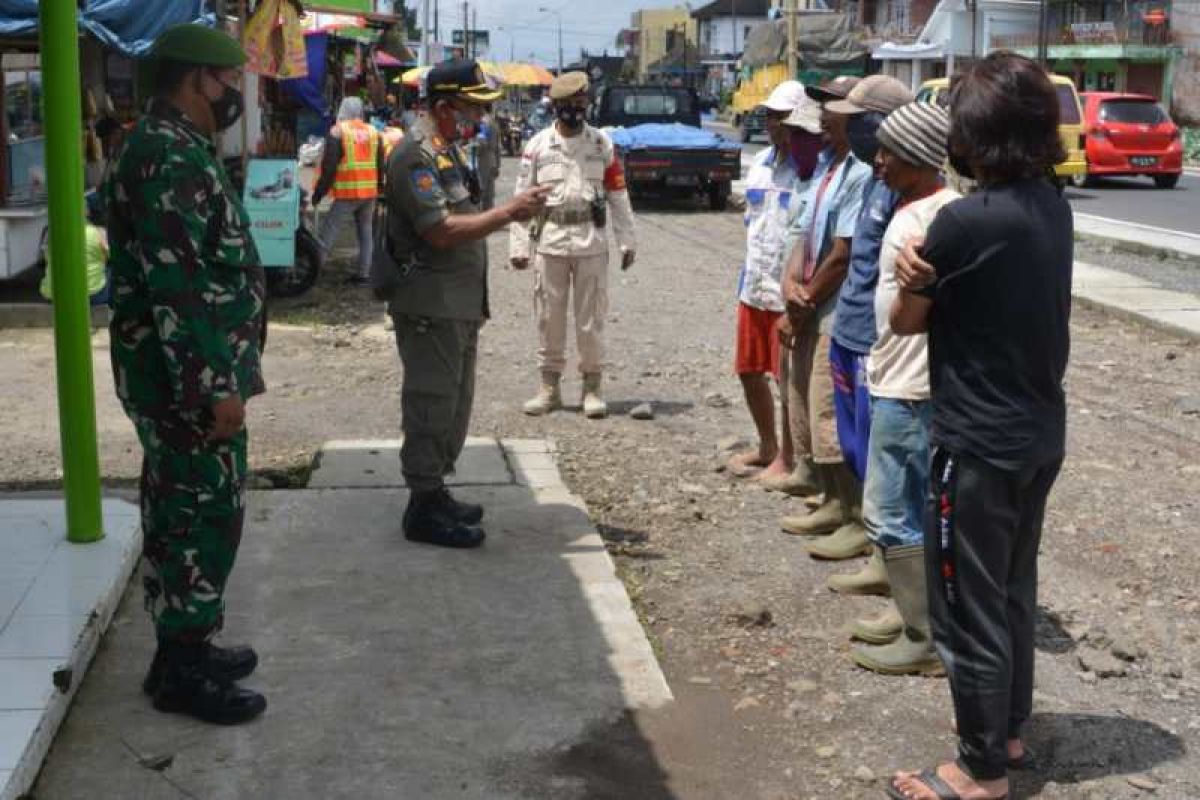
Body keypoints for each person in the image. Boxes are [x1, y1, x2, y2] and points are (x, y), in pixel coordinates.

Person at [887, 52, 1073, 800]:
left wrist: (911, 277)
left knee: (965, 604)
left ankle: (978, 770)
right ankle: (1010, 731)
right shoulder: (1050, 204)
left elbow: (905, 323)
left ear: (973, 138)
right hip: (1037, 431)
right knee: (1014, 587)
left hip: (973, 442)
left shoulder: (962, 223)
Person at [106, 23, 266, 725]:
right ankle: (183, 669)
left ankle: (184, 647)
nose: (234, 94)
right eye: (228, 81)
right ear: (197, 78)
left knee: (185, 508)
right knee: (201, 512)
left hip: (185, 372)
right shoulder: (165, 156)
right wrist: (213, 388)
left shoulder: (178, 148)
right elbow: (181, 286)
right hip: (184, 382)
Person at [378, 59, 550, 548]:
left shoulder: (445, 151)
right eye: (470, 108)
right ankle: (422, 505)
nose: (478, 118)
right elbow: (440, 230)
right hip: (430, 304)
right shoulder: (415, 157)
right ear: (441, 107)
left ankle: (435, 492)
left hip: (456, 303)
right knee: (431, 401)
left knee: (454, 403)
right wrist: (509, 213)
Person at [841, 101, 957, 676]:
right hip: (897, 373)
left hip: (911, 386)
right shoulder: (915, 208)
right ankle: (912, 611)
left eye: (889, 153)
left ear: (916, 157)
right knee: (908, 507)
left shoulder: (929, 219)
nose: (878, 161)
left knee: (892, 509)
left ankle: (926, 636)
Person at [816, 76, 915, 599]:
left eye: (857, 121)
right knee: (855, 446)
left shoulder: (906, 187)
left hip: (876, 341)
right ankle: (863, 530)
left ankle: (887, 558)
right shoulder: (875, 179)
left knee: (882, 456)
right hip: (849, 329)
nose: (849, 129)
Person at [777, 77, 873, 563]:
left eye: (831, 122)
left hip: (833, 309)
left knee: (829, 412)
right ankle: (833, 501)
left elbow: (843, 251)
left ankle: (853, 513)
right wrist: (791, 287)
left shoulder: (859, 173)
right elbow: (805, 234)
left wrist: (807, 299)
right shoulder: (829, 169)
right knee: (808, 405)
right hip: (811, 302)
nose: (823, 128)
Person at [509, 71, 637, 419]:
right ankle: (548, 388)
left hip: (591, 243)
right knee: (548, 318)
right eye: (569, 105)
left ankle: (591, 387)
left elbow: (617, 194)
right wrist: (519, 246)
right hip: (550, 242)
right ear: (556, 107)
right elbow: (522, 198)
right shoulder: (536, 147)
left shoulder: (602, 145)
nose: (576, 111)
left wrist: (627, 240)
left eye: (581, 104)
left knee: (590, 320)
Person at [725, 79, 806, 479]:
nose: (776, 125)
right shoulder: (758, 165)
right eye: (771, 116)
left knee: (788, 379)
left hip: (786, 292)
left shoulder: (809, 172)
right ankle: (767, 445)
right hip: (753, 286)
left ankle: (791, 459)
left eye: (784, 117)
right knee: (748, 370)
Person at [313, 96, 385, 285]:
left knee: (329, 229)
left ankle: (313, 269)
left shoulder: (338, 132)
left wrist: (319, 193)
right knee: (365, 231)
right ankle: (364, 273)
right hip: (369, 192)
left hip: (348, 192)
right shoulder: (374, 132)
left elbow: (329, 167)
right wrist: (380, 188)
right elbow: (380, 164)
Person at [40, 211, 111, 307]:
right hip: (91, 296)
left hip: (53, 296)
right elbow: (110, 257)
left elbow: (47, 259)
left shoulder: (51, 232)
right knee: (109, 272)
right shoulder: (99, 233)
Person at [475, 109, 502, 210]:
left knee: (480, 191)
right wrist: (497, 164)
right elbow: (498, 147)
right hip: (492, 159)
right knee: (489, 194)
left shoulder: (483, 122)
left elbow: (481, 143)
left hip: (482, 159)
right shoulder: (493, 122)